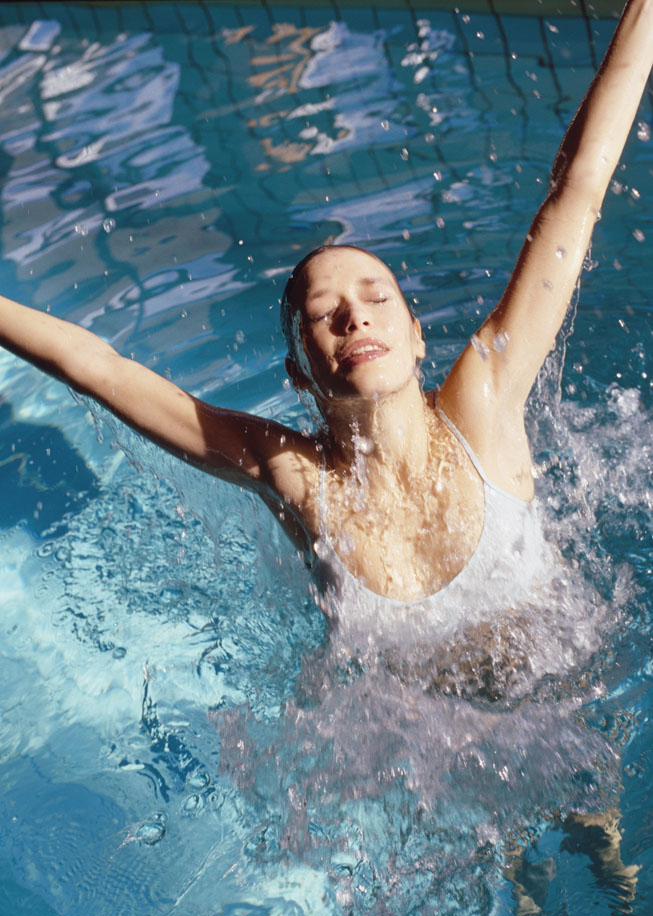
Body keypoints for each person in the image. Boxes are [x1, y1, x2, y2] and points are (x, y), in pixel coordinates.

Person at [0, 2, 651, 636]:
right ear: (298, 372)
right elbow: (99, 368)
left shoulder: (486, 396)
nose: (354, 320)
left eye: (376, 298)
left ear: (417, 333)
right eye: (323, 313)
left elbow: (579, 187)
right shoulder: (295, 475)